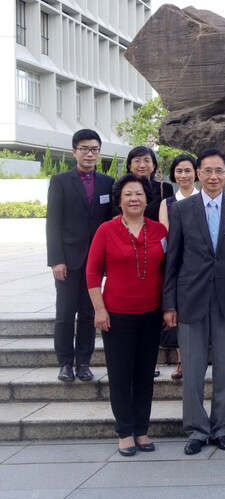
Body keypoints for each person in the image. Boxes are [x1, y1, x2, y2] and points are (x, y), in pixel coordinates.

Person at [162, 148, 225, 455]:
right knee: (193, 368)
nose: (213, 176)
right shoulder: (182, 209)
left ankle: (221, 428)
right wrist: (169, 304)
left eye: (219, 171)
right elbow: (172, 259)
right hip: (190, 298)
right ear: (198, 173)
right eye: (208, 171)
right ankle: (197, 430)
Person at [86, 174, 167, 456]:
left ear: (148, 199)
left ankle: (141, 430)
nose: (134, 199)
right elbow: (92, 271)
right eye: (128, 194)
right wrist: (99, 308)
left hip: (152, 313)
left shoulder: (159, 231)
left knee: (145, 375)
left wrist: (169, 308)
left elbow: (167, 273)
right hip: (117, 315)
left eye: (140, 194)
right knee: (120, 375)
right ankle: (124, 432)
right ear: (119, 200)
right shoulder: (106, 230)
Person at [46, 128, 115, 383]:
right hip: (68, 260)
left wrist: (109, 260)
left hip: (96, 262)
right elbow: (52, 223)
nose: (90, 153)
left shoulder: (108, 183)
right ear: (74, 151)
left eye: (94, 149)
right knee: (65, 313)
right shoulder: (60, 181)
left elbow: (109, 224)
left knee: (89, 312)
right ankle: (65, 363)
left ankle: (84, 363)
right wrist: (56, 260)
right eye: (84, 149)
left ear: (99, 153)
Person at [157, 153, 199, 380]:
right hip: (178, 264)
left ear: (196, 173)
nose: (184, 175)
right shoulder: (168, 202)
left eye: (188, 170)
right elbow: (167, 236)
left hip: (201, 265)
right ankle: (181, 360)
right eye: (179, 171)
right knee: (179, 310)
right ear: (173, 174)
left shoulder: (205, 198)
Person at [126, 146, 173, 222]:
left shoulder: (164, 188)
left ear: (154, 166)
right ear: (130, 166)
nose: (142, 165)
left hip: (157, 233)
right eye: (137, 161)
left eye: (147, 161)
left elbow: (171, 218)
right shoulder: (122, 189)